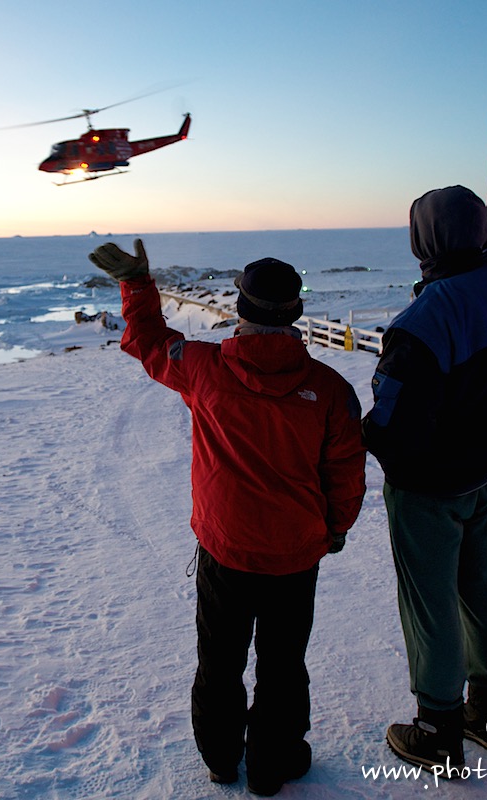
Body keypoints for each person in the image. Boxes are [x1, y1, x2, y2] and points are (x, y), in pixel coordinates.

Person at [88, 241, 366, 796]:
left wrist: (139, 284)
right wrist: (336, 528)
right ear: (295, 313)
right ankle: (274, 763)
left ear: (240, 310)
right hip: (294, 557)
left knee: (218, 660)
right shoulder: (331, 390)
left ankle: (220, 758)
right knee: (284, 665)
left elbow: (145, 342)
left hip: (225, 551)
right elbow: (346, 472)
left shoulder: (204, 369)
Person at [363, 69, 487, 775]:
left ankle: (437, 731)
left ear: (421, 241)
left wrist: (349, 437)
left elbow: (396, 429)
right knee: (482, 590)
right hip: (486, 472)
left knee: (431, 604)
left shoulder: (420, 324)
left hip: (429, 489)